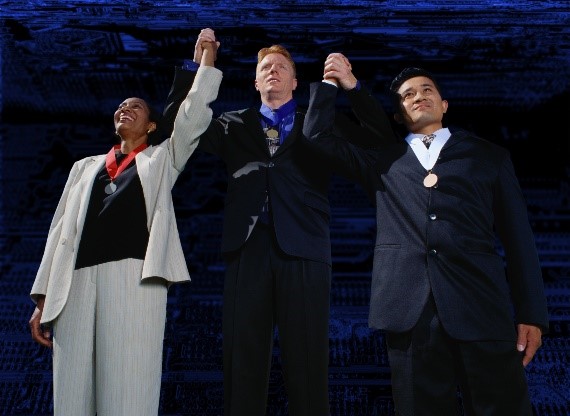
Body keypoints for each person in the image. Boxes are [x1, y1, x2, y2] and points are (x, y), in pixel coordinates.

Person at [302, 53, 550, 415]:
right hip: (409, 314)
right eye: (408, 95)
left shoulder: (489, 156)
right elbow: (316, 136)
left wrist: (532, 314)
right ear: (399, 115)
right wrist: (336, 84)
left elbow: (519, 240)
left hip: (482, 307)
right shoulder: (382, 161)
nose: (419, 96)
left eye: (427, 89)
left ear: (444, 104)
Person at [162, 30, 393, 416]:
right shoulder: (232, 124)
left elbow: (379, 140)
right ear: (255, 82)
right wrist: (197, 66)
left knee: (307, 359)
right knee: (242, 359)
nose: (273, 71)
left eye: (281, 67)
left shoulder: (319, 123)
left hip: (305, 248)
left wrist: (352, 86)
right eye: (265, 67)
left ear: (295, 82)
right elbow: (176, 126)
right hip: (246, 248)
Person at [28, 40, 222, 415]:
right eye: (121, 106)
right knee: (72, 394)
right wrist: (42, 298)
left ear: (151, 125)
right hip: (74, 283)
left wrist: (204, 61)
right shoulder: (84, 167)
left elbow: (192, 116)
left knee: (128, 389)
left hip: (135, 278)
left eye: (135, 107)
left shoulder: (162, 159)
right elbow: (58, 231)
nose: (125, 109)